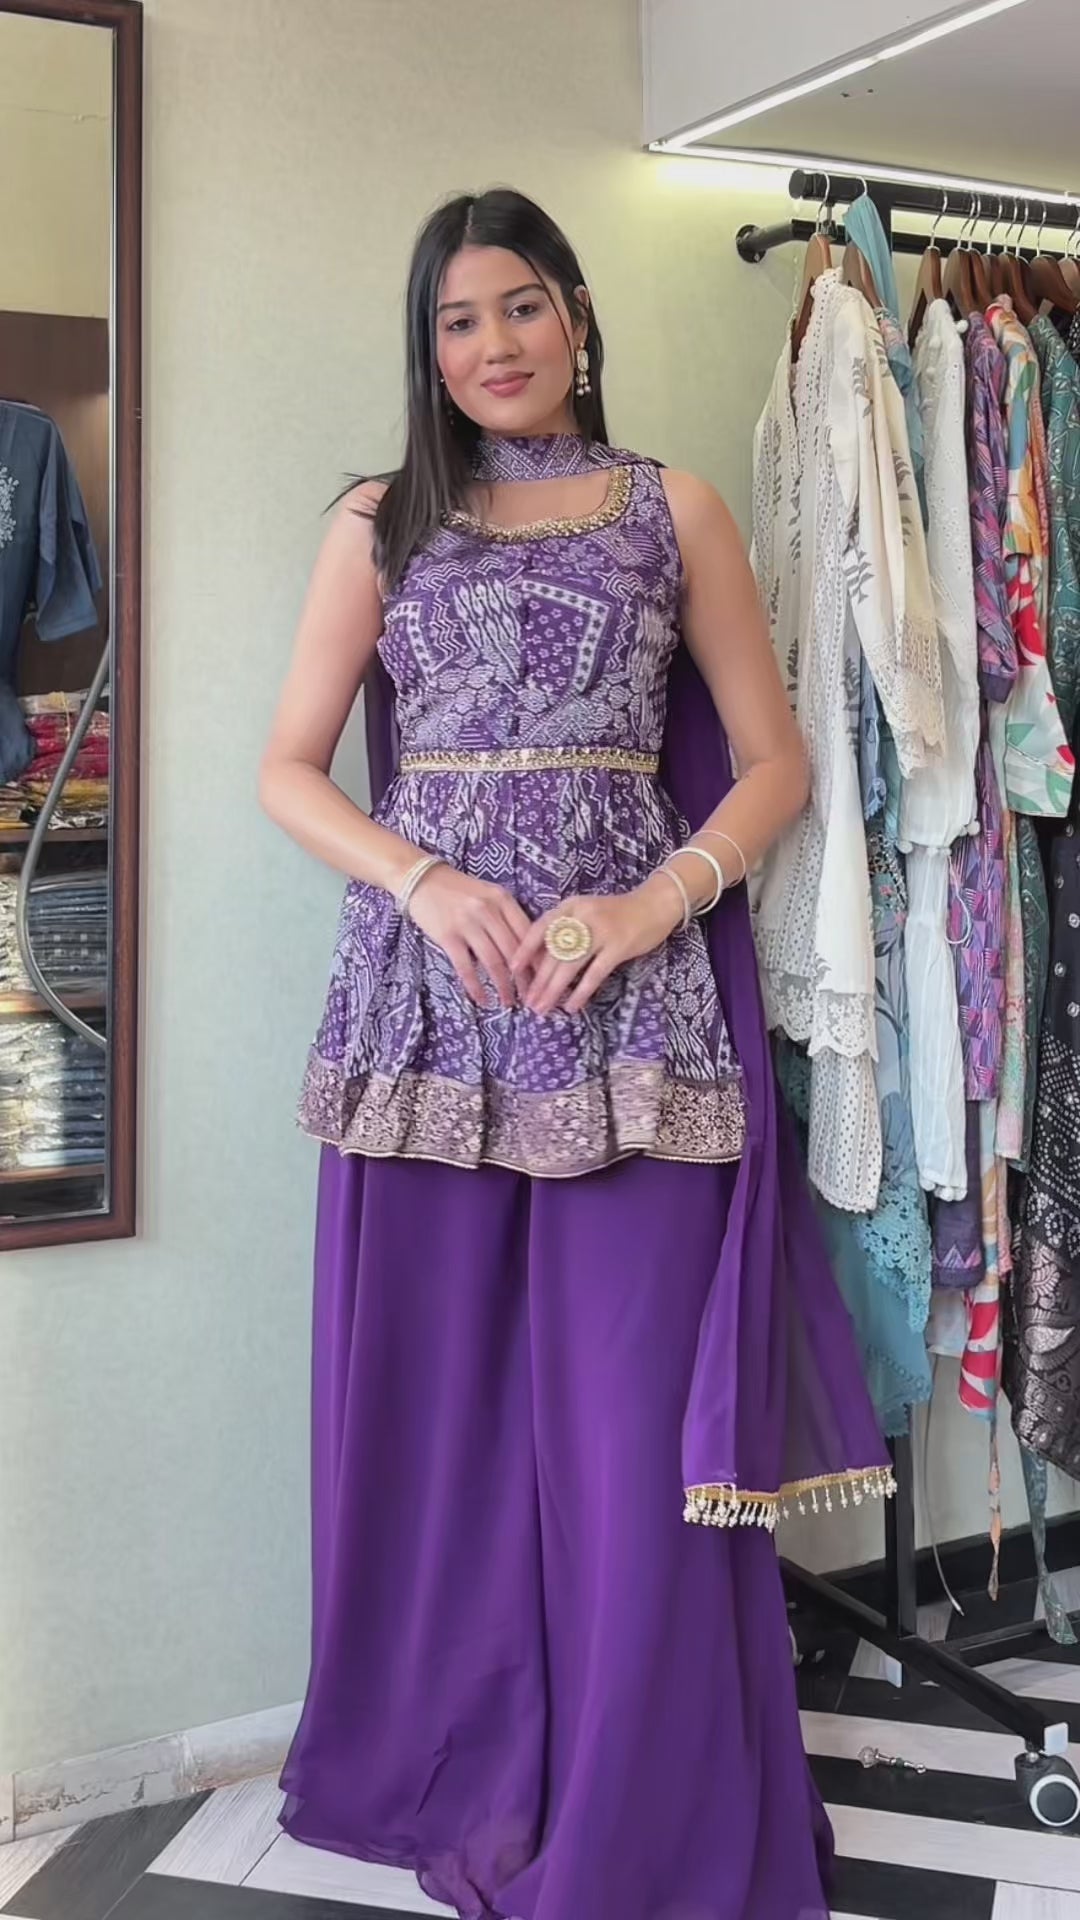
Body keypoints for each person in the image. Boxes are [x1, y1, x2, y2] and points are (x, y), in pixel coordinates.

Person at [259, 186, 892, 1920]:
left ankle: (644, 1814)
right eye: (459, 321)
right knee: (442, 1429)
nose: (495, 345)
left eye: (522, 305)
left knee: (636, 1450)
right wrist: (425, 877)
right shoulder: (380, 521)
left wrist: (654, 901)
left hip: (637, 1020)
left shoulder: (674, 506)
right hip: (425, 1021)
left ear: (580, 315)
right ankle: (468, 1765)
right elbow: (289, 768)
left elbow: (773, 763)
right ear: (428, 349)